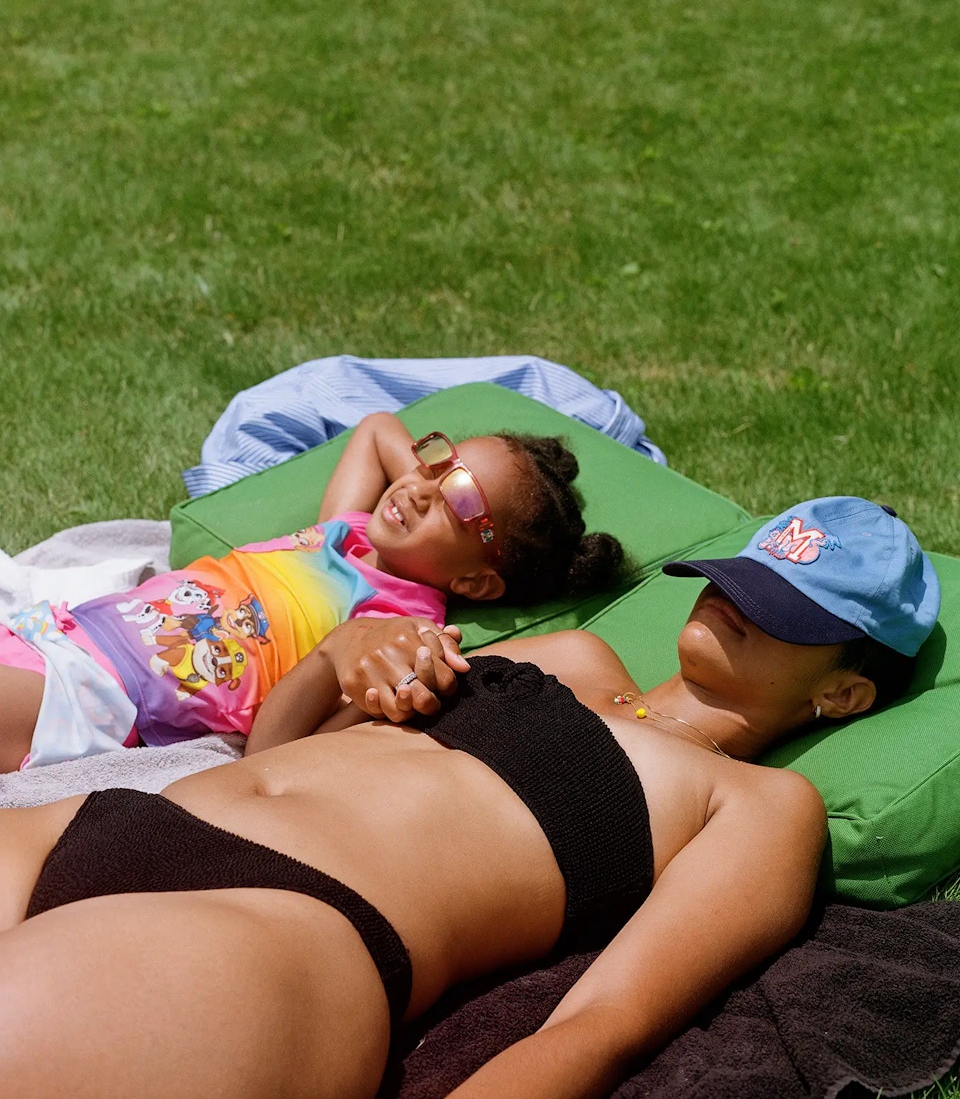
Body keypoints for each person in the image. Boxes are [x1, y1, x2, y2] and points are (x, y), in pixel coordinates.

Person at [0, 496, 939, 1099]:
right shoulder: (564, 652)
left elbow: (604, 1023)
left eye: (785, 614)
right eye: (746, 579)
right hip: (112, 821)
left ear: (845, 692)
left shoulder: (760, 806)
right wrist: (339, 658)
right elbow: (276, 753)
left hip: (283, 928)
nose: (732, 604)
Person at [0, 412, 624, 772]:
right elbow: (376, 429)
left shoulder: (397, 628)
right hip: (56, 630)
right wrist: (437, 475)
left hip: (104, 695)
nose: (419, 489)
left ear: (474, 582)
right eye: (435, 461)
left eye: (459, 502)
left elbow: (278, 751)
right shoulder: (346, 530)